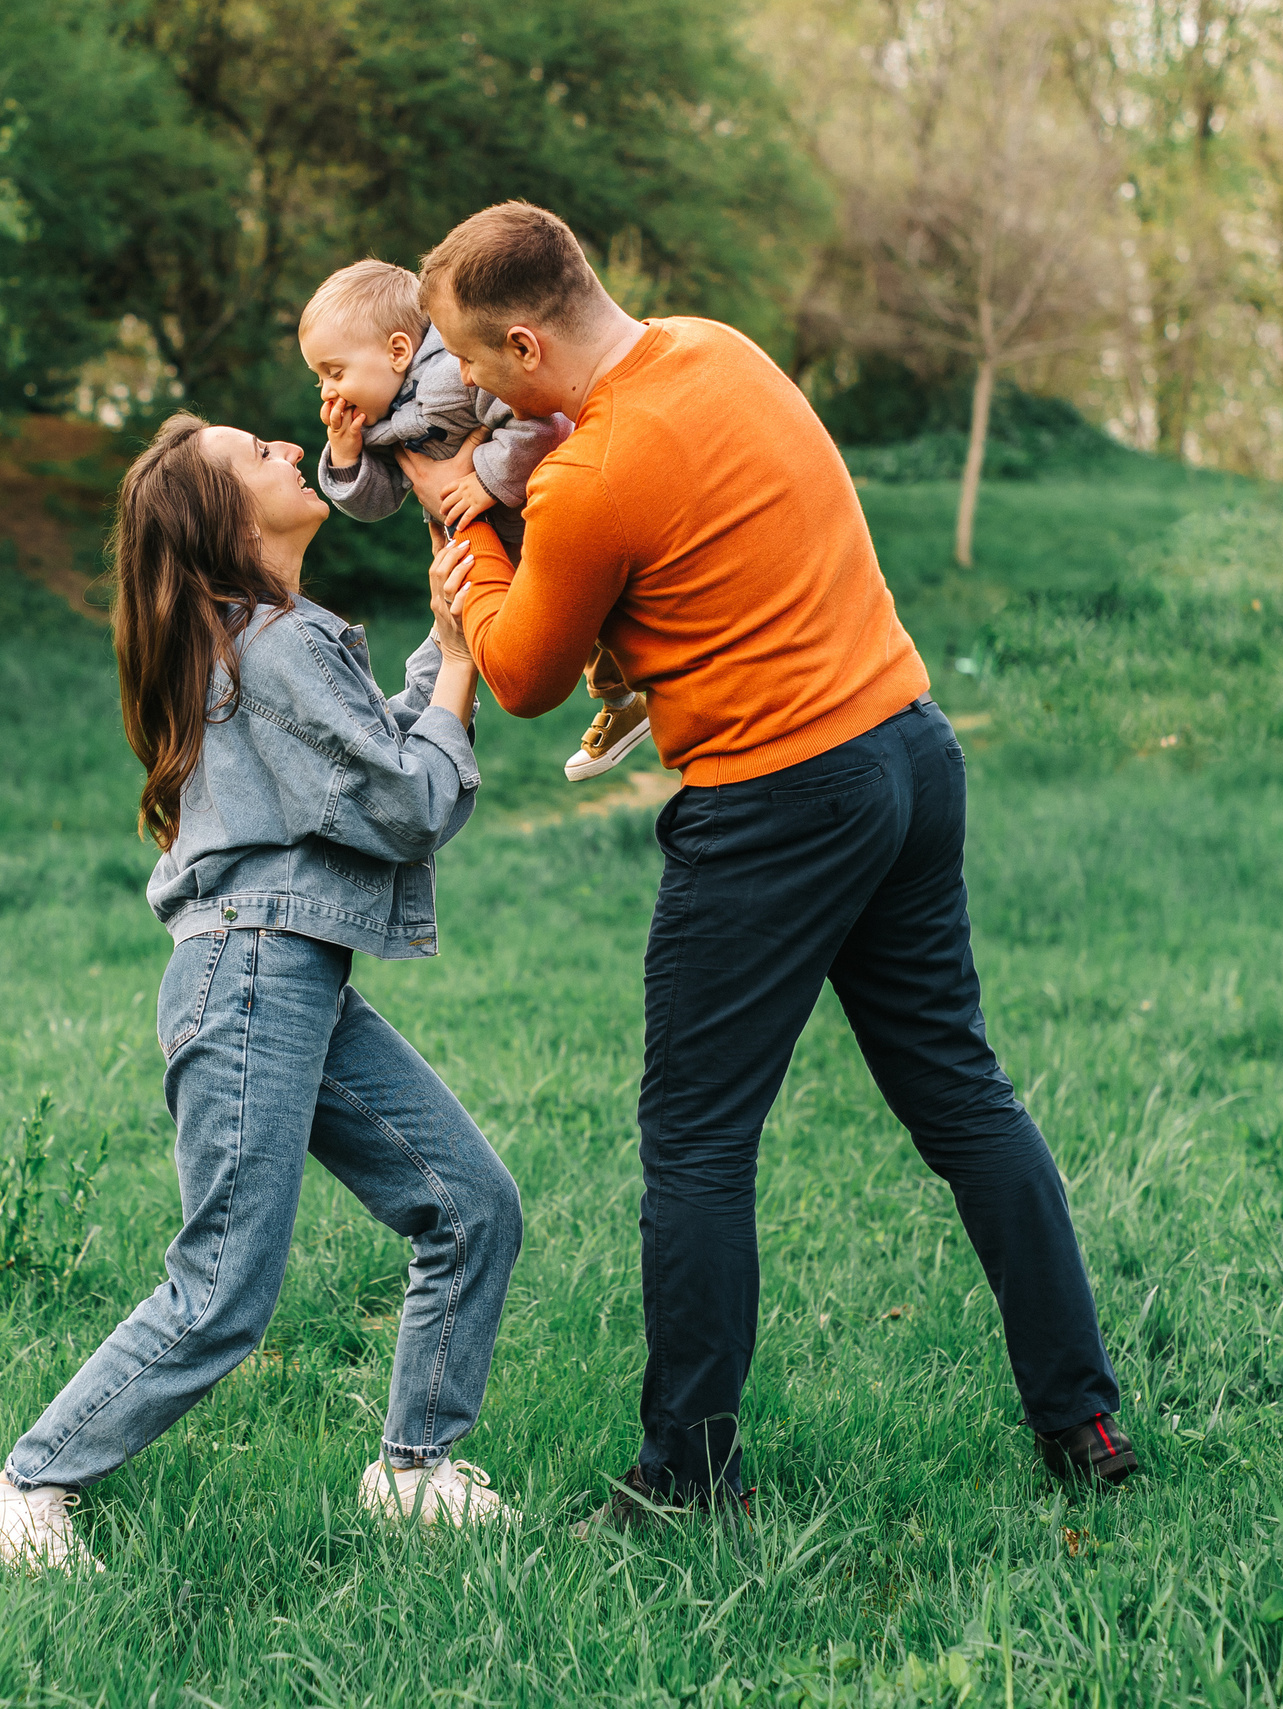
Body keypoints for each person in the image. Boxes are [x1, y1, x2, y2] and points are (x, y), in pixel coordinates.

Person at [405, 202, 1134, 1530]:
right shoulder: (716, 349)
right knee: (963, 1094)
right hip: (908, 748)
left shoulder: (591, 473)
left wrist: (472, 535)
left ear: (524, 344)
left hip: (779, 798)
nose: (464, 382)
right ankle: (1082, 1422)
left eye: (468, 356)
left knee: (696, 1139)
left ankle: (689, 1476)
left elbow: (517, 674)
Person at [0, 413, 526, 1572]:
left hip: (284, 974)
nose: (288, 448)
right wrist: (463, 661)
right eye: (255, 454)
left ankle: (415, 1472)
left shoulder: (263, 641)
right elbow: (407, 803)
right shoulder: (272, 641)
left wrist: (443, 636)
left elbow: (375, 755)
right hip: (254, 974)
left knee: (469, 1205)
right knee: (223, 1284)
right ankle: (25, 1485)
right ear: (221, 522)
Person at [299, 257, 653, 784]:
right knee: (452, 639)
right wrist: (347, 458)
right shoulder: (380, 422)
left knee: (604, 616)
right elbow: (379, 503)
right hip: (487, 548)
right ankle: (412, 747)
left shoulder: (454, 377)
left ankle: (634, 698)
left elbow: (543, 425)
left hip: (544, 521)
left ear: (397, 351)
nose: (327, 390)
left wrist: (485, 480)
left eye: (334, 372)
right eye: (318, 378)